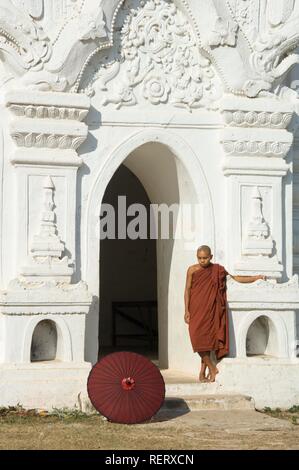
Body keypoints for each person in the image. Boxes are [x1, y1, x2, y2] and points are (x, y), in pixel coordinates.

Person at [184, 245, 266, 383]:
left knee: (208, 341)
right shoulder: (192, 270)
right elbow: (187, 290)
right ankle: (212, 368)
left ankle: (203, 371)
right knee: (197, 339)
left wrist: (256, 278)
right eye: (199, 258)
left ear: (211, 257)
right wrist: (186, 310)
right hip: (196, 308)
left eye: (205, 258)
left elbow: (235, 278)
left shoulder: (218, 270)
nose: (202, 261)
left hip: (211, 309)